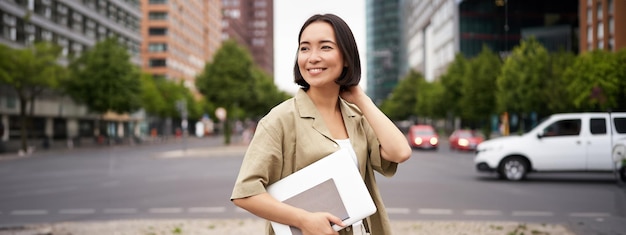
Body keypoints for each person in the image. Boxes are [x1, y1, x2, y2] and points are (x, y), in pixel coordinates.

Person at [230, 13, 412, 235]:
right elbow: (245, 193)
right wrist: (304, 220)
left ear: (346, 57)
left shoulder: (356, 116)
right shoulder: (279, 119)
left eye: (325, 47)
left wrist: (362, 99)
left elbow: (399, 152)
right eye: (305, 48)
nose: (312, 57)